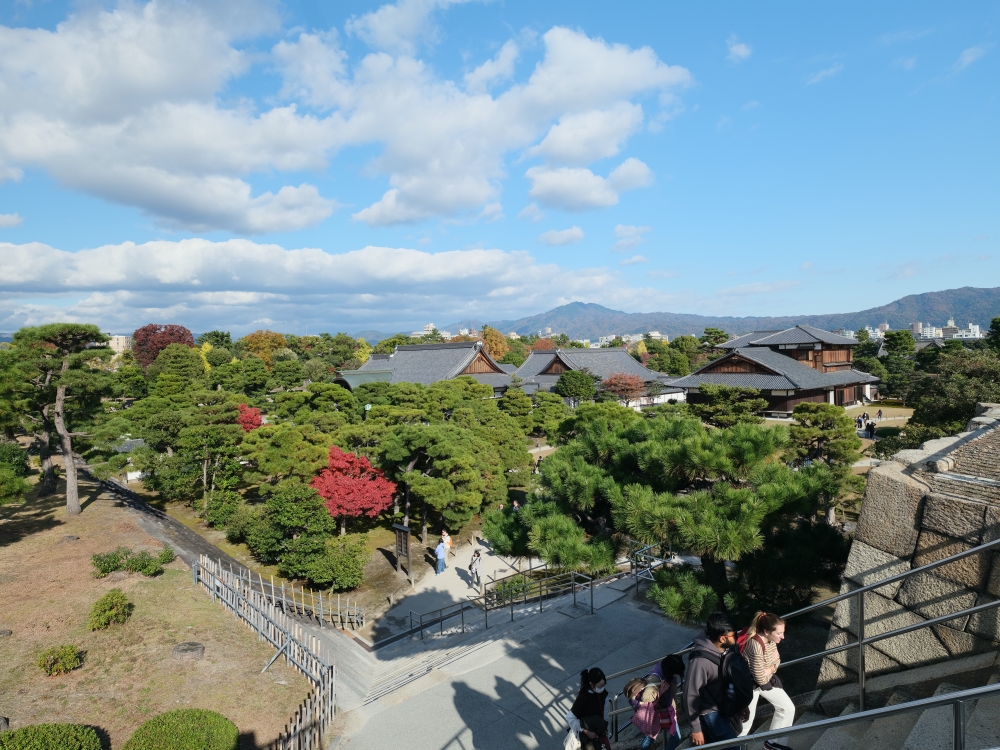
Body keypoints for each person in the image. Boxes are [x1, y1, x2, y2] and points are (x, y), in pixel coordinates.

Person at [684, 612, 748, 749]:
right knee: (734, 747)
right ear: (722, 638)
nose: (736, 638)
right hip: (710, 713)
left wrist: (742, 705)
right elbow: (690, 694)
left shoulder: (728, 647)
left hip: (724, 705)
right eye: (733, 635)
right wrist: (696, 729)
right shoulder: (699, 661)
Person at [739, 612, 794, 750]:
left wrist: (768, 669)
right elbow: (760, 678)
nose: (783, 636)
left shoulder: (770, 640)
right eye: (779, 633)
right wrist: (770, 667)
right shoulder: (755, 645)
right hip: (749, 686)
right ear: (767, 631)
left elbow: (777, 660)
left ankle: (774, 743)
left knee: (787, 708)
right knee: (745, 725)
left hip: (764, 682)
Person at [643, 654, 685, 750]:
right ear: (671, 670)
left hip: (668, 710)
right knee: (648, 740)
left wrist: (675, 708)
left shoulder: (668, 670)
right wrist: (660, 691)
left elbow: (673, 693)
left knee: (676, 737)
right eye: (676, 673)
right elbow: (645, 698)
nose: (676, 676)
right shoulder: (655, 677)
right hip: (655, 712)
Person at [567, 667, 611, 750]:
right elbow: (569, 717)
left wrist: (604, 727)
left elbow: (605, 713)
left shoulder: (604, 693)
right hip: (584, 739)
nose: (602, 689)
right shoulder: (583, 697)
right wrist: (586, 732)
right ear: (591, 683)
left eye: (603, 686)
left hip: (598, 733)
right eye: (599, 686)